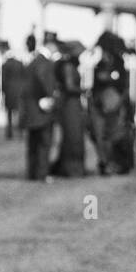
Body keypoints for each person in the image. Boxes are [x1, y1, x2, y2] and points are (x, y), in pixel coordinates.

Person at [88, 30, 135, 175]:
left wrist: (119, 103)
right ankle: (104, 162)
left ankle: (117, 163)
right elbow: (95, 86)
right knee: (98, 135)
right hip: (99, 105)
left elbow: (124, 87)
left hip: (116, 107)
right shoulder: (99, 65)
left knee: (116, 135)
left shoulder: (119, 64)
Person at [23, 32, 59, 181]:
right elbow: (43, 78)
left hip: (31, 108)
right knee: (44, 143)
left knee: (32, 143)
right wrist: (49, 95)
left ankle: (32, 172)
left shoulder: (32, 61)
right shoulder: (45, 63)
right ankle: (41, 173)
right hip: (42, 109)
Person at [50, 40, 88, 177]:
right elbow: (69, 86)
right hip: (69, 104)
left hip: (72, 104)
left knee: (74, 135)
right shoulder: (67, 66)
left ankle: (74, 167)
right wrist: (83, 91)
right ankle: (71, 168)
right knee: (72, 136)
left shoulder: (69, 65)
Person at [2, 39, 30, 140]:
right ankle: (20, 133)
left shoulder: (5, 65)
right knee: (19, 113)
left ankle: (9, 133)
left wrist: (3, 91)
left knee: (9, 114)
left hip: (9, 92)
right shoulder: (19, 63)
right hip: (19, 91)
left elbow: (3, 81)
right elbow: (25, 77)